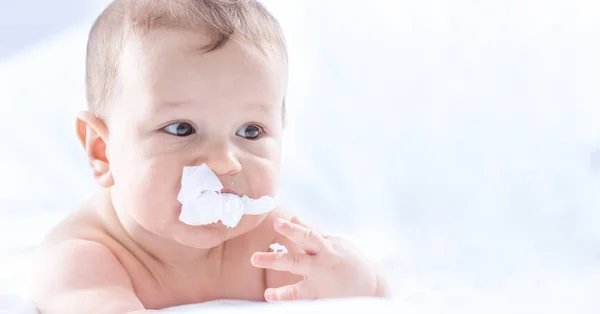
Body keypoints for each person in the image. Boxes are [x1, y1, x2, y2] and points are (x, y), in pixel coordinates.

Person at [27, 1, 389, 313]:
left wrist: (357, 279)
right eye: (181, 129)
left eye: (250, 131)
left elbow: (365, 292)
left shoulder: (272, 242)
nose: (224, 163)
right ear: (102, 151)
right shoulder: (87, 257)